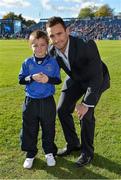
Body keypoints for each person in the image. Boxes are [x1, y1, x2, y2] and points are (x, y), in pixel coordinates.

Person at [46, 16, 110, 167]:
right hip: (75, 78)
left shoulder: (86, 44)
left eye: (59, 33)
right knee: (61, 110)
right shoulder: (52, 50)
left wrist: (86, 103)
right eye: (52, 36)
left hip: (96, 78)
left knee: (85, 114)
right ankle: (73, 143)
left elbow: (96, 76)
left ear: (67, 31)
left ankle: (87, 153)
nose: (56, 39)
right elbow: (46, 69)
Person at [18, 30, 61, 169]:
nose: (39, 48)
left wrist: (48, 79)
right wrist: (31, 77)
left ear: (47, 45)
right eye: (35, 45)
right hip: (31, 101)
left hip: (47, 101)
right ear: (31, 46)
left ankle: (49, 152)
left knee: (48, 128)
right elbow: (21, 80)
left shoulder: (53, 62)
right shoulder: (27, 62)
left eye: (42, 45)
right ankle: (30, 154)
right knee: (29, 128)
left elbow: (57, 80)